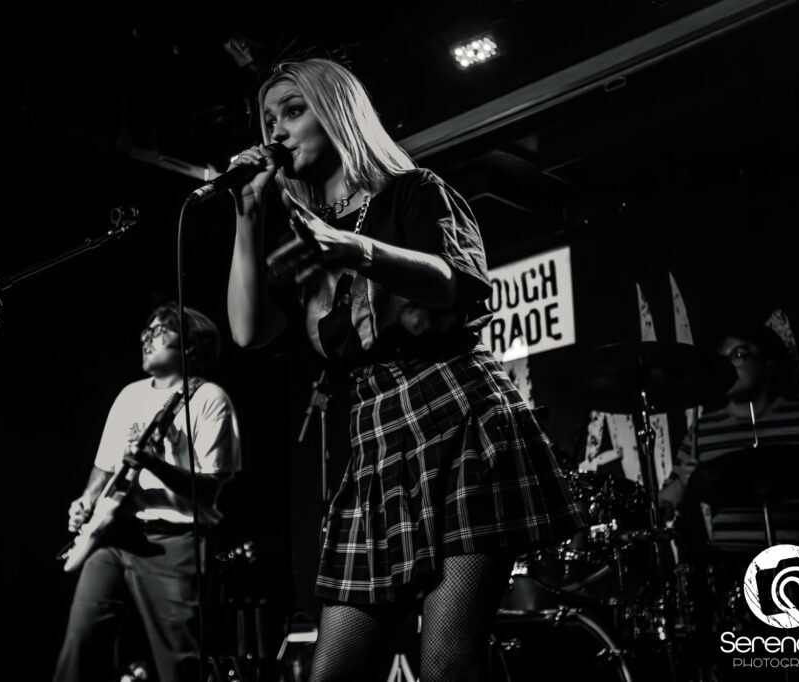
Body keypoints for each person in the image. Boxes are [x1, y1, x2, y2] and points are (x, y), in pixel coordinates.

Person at [225, 57, 585, 681]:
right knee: (330, 673)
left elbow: (461, 285)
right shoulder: (305, 241)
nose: (276, 132)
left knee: (445, 661)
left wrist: (359, 251)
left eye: (292, 111)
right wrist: (248, 214)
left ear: (336, 113)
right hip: (376, 446)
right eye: (267, 119)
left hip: (458, 418)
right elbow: (248, 330)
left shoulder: (415, 191)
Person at [53, 302, 242, 682]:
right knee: (81, 643)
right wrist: (87, 500)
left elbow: (209, 489)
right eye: (146, 331)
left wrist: (155, 464)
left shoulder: (209, 400)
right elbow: (105, 466)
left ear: (189, 346)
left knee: (178, 661)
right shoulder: (129, 395)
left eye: (160, 332)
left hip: (174, 541)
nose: (147, 338)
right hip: (114, 536)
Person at [659, 322, 799, 554]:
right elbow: (668, 498)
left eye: (738, 354)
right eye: (722, 359)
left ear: (768, 361)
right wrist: (677, 490)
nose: (728, 366)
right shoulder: (701, 431)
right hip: (732, 572)